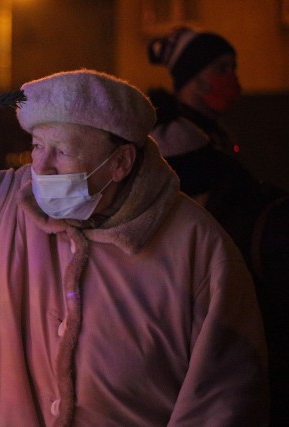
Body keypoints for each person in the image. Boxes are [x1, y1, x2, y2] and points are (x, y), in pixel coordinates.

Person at [0, 69, 268, 426]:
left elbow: (224, 398)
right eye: (38, 145)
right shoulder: (10, 210)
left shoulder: (198, 248)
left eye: (63, 151)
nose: (41, 166)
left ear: (121, 162)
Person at [148, 28, 288, 426]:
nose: (233, 77)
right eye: (221, 68)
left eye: (233, 66)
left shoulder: (207, 131)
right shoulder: (177, 137)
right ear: (194, 78)